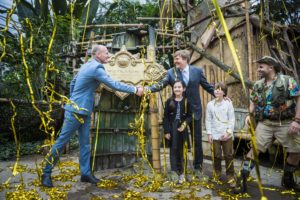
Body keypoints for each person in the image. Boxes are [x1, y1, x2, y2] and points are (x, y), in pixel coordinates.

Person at [41, 45, 143, 187]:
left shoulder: (86, 65)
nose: (109, 55)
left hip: (83, 110)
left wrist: (75, 99)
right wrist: (135, 89)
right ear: (97, 54)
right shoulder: (97, 68)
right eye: (106, 53)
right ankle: (46, 173)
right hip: (76, 112)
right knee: (61, 142)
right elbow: (113, 84)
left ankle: (86, 174)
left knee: (85, 144)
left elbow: (73, 83)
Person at [235, 56, 300, 193]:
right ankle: (242, 179)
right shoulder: (258, 85)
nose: (258, 69)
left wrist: (297, 120)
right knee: (255, 150)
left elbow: (298, 99)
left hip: (286, 123)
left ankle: (287, 179)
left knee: (296, 151)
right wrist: (249, 114)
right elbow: (253, 102)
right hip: (265, 123)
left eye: (261, 66)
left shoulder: (288, 81)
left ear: (271, 67)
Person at [148, 49, 215, 177]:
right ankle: (177, 168)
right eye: (174, 59)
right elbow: (161, 84)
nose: (175, 61)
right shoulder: (171, 73)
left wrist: (219, 95)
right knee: (176, 142)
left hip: (194, 111)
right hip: (178, 113)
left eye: (177, 59)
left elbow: (207, 86)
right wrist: (148, 89)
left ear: (185, 59)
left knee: (197, 140)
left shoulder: (197, 71)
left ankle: (197, 168)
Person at [205, 82, 236, 187]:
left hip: (226, 134)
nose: (217, 91)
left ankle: (230, 175)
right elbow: (208, 120)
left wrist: (228, 132)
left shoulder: (228, 104)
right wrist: (209, 134)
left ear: (224, 92)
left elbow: (231, 119)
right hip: (215, 134)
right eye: (215, 89)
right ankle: (217, 172)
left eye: (220, 89)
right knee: (216, 155)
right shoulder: (210, 105)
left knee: (228, 155)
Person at [163, 80, 192, 184]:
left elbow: (189, 116)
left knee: (182, 150)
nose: (177, 89)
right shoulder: (169, 101)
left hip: (182, 129)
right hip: (172, 129)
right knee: (173, 150)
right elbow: (165, 117)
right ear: (173, 89)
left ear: (183, 89)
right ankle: (174, 172)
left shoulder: (187, 101)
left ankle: (182, 172)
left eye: (179, 87)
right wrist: (166, 131)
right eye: (175, 87)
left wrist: (184, 125)